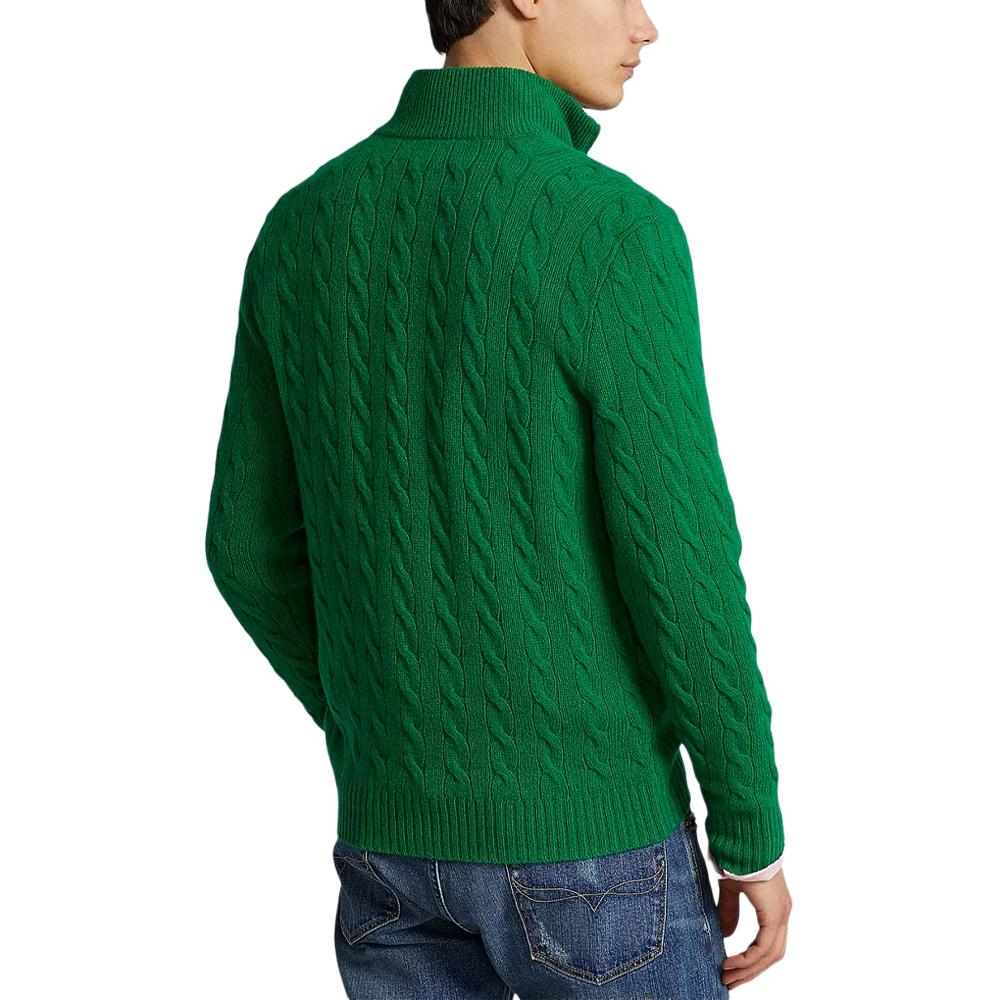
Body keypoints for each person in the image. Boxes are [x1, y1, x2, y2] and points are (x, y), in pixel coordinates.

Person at [204, 0, 792, 995]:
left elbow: (248, 550)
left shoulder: (302, 225)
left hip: (388, 846)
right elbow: (682, 561)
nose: (645, 26)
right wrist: (751, 831)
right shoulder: (610, 229)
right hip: (595, 847)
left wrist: (384, 730)